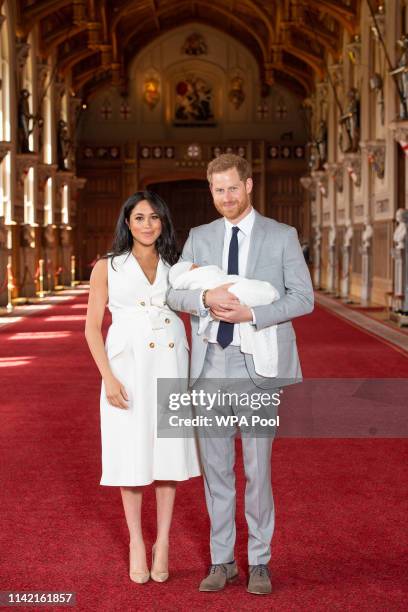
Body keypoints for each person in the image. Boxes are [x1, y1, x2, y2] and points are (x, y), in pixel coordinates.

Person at [167, 153, 314, 595]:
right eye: (218, 190)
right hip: (210, 364)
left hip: (258, 365)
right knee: (216, 472)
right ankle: (222, 560)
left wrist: (253, 311)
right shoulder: (199, 236)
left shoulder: (281, 235)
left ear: (249, 186)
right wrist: (204, 299)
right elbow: (175, 292)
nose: (226, 197)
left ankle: (260, 561)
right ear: (211, 191)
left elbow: (303, 298)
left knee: (257, 469)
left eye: (233, 188)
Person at [85, 191, 201, 585]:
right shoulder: (107, 266)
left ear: (164, 223)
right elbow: (91, 327)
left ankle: (163, 541)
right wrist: (108, 377)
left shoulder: (178, 266)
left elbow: (201, 300)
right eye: (139, 217)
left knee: (168, 454)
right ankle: (137, 539)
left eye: (154, 217)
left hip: (170, 362)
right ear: (127, 223)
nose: (147, 224)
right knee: (131, 454)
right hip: (127, 367)